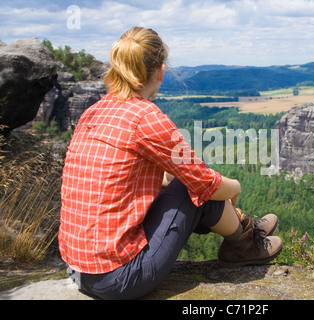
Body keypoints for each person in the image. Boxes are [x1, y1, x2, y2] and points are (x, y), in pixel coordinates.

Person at [58, 27, 282, 300]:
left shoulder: (93, 112)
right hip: (117, 278)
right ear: (160, 71)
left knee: (186, 180)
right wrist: (235, 187)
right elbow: (204, 183)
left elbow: (152, 178)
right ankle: (244, 243)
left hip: (78, 270)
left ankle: (245, 229)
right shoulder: (145, 116)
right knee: (196, 184)